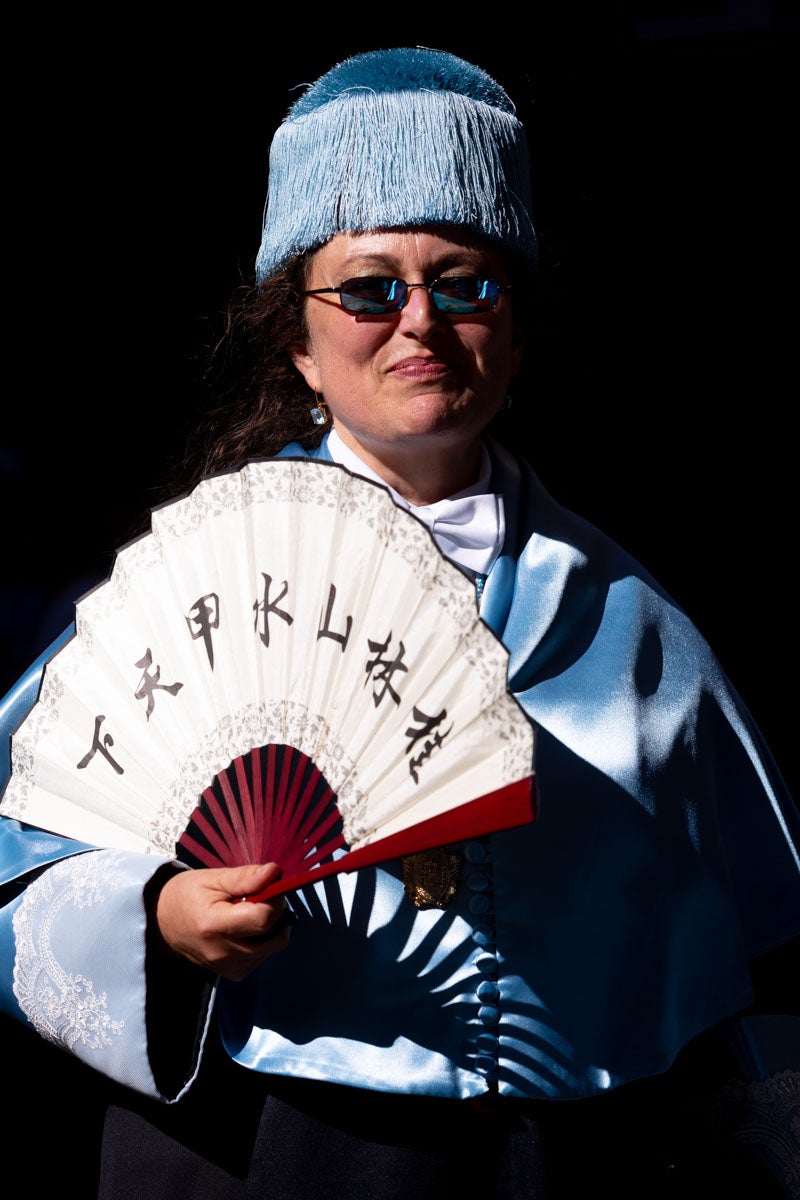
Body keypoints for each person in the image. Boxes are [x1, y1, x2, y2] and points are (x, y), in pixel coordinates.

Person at [1, 46, 798, 1199]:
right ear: (297, 341)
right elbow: (26, 850)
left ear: (515, 334)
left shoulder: (636, 632)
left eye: (464, 283)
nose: (418, 322)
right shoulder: (188, 584)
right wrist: (162, 918)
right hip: (255, 1143)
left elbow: (743, 966)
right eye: (369, 288)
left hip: (552, 1165)